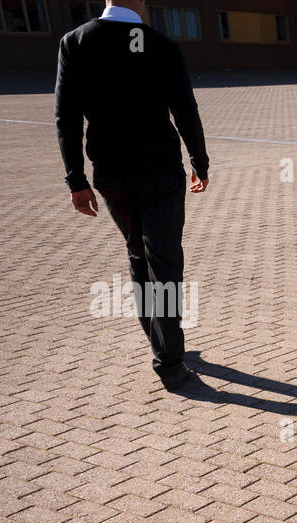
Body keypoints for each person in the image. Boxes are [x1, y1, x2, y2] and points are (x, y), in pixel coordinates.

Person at [54, 0, 209, 391]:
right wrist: (199, 160)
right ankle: (170, 361)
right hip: (159, 171)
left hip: (111, 173)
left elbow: (66, 116)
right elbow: (184, 108)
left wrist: (76, 179)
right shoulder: (160, 45)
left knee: (138, 255)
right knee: (165, 261)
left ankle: (159, 342)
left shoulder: (75, 42)